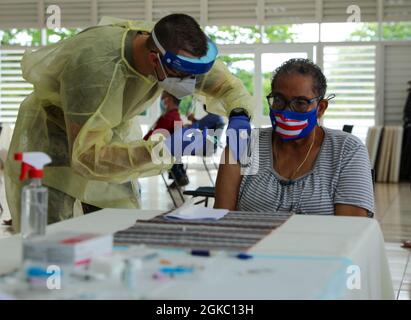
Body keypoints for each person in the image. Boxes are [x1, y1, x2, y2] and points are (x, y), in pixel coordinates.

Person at [4, 13, 253, 231]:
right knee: (53, 234)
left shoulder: (176, 51)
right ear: (155, 59)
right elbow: (87, 157)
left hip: (111, 134)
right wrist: (162, 150)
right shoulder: (95, 67)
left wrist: (240, 114)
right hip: (54, 140)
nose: (192, 84)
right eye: (184, 77)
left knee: (119, 222)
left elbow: (228, 87)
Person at [214, 58, 374, 217]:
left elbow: (350, 230)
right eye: (278, 100)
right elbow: (223, 220)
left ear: (321, 108)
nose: (286, 111)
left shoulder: (347, 150)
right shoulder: (243, 145)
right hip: (251, 242)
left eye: (300, 103)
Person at [144, 91, 189, 187]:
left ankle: (179, 176)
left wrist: (142, 141)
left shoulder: (168, 118)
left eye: (163, 98)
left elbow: (153, 136)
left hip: (159, 151)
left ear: (168, 100)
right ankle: (180, 176)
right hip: (172, 151)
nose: (162, 101)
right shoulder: (176, 116)